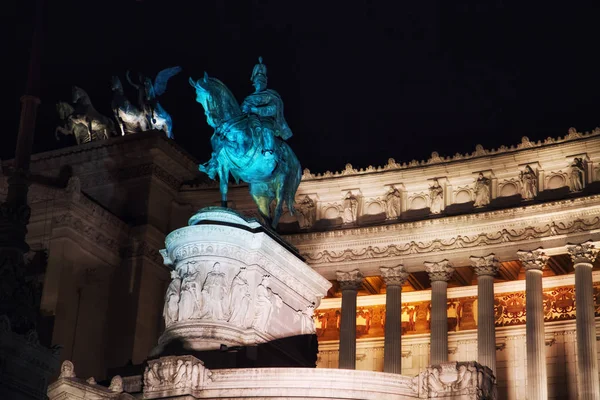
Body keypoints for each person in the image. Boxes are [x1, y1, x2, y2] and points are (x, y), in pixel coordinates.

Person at [241, 57, 293, 157]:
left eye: (262, 82)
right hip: (250, 121)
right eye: (258, 82)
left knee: (266, 128)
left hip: (266, 120)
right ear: (254, 84)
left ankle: (268, 150)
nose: (260, 84)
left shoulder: (271, 95)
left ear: (265, 83)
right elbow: (242, 110)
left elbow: (272, 109)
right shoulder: (248, 98)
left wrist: (254, 109)